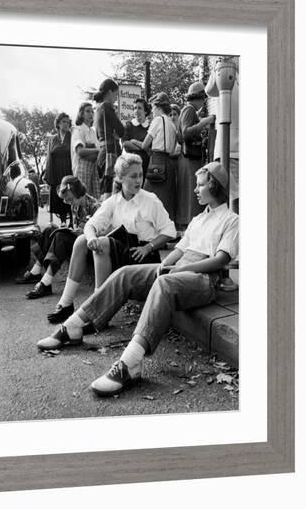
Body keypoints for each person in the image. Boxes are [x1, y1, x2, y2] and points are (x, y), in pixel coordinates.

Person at [37, 162, 238, 399]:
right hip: (180, 268)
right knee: (126, 273)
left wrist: (176, 270)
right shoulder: (198, 219)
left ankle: (131, 363)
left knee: (164, 284)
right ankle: (73, 326)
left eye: (200, 185)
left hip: (203, 278)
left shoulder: (232, 219)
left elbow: (220, 260)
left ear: (214, 187)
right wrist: (163, 266)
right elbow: (180, 249)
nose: (195, 189)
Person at [45, 152, 176, 324]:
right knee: (82, 240)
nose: (139, 180)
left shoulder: (151, 200)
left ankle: (98, 310)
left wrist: (149, 247)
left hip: (142, 256)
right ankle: (66, 302)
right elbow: (90, 225)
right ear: (121, 178)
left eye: (141, 175)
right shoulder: (113, 202)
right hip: (120, 252)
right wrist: (91, 238)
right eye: (133, 176)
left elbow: (170, 231)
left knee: (104, 243)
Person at [16, 176, 100, 298]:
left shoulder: (95, 207)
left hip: (89, 248)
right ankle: (36, 271)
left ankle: (45, 283)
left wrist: (82, 232)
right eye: (66, 200)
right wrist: (74, 230)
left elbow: (101, 233)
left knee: (61, 236)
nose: (67, 202)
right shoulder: (75, 205)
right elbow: (77, 226)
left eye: (69, 199)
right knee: (50, 229)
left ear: (77, 192)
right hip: (79, 241)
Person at [176, 82, 216, 231]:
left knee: (190, 194)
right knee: (193, 194)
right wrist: (205, 121)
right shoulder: (189, 110)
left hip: (188, 159)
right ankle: (191, 227)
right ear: (199, 97)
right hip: (190, 159)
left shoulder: (189, 111)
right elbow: (186, 132)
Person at [142, 92, 178, 221]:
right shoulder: (173, 125)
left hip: (156, 161)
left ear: (158, 107)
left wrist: (136, 144)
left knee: (146, 197)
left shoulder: (158, 120)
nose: (152, 111)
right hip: (169, 162)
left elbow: (145, 144)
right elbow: (173, 149)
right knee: (166, 199)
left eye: (152, 108)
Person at [93, 79, 125, 199]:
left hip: (102, 151)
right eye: (116, 94)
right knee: (112, 190)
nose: (116, 98)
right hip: (111, 152)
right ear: (110, 92)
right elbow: (121, 130)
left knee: (105, 187)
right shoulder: (107, 107)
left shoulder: (98, 109)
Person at [44, 112, 73, 225]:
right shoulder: (52, 139)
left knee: (70, 193)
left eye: (68, 122)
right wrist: (48, 175)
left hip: (68, 169)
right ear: (58, 124)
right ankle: (62, 222)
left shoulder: (72, 136)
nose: (66, 124)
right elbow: (48, 157)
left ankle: (72, 219)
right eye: (63, 122)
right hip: (56, 170)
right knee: (59, 195)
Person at [71, 102, 101, 199]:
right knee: (83, 196)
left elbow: (97, 151)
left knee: (94, 197)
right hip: (82, 167)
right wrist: (95, 150)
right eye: (88, 111)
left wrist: (92, 149)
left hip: (93, 166)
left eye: (92, 112)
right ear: (81, 114)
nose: (91, 114)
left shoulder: (93, 131)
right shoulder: (77, 130)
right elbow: (80, 152)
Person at [121, 98, 152, 181]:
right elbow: (125, 143)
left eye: (139, 108)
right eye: (135, 108)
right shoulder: (128, 125)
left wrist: (134, 142)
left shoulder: (150, 127)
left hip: (146, 165)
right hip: (131, 165)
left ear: (145, 111)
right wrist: (142, 147)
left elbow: (150, 149)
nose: (136, 110)